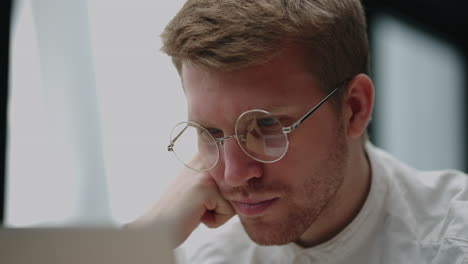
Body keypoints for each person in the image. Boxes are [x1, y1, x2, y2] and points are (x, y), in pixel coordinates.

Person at [129, 0, 468, 263]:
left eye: (265, 125)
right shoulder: (199, 252)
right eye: (211, 133)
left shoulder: (454, 244)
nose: (233, 176)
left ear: (354, 108)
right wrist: (147, 240)